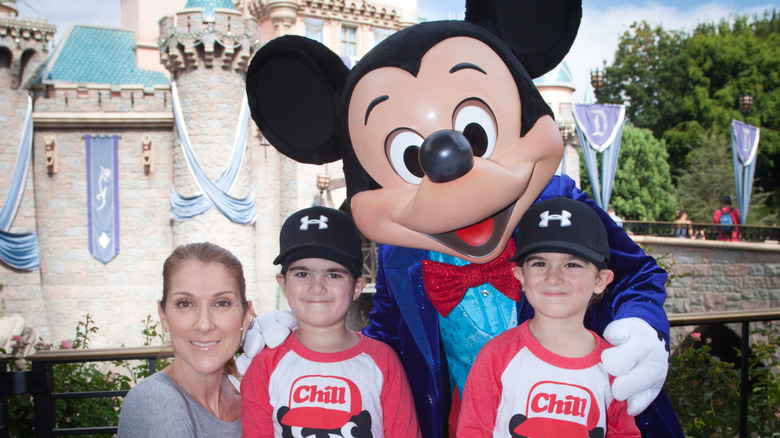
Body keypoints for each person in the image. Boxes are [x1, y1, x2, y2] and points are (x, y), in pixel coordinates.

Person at [458, 197, 641, 437]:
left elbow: (624, 433)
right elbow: (472, 431)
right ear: (520, 276)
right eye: (540, 263)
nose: (553, 278)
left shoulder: (614, 365)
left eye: (572, 265)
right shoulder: (495, 356)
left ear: (600, 280)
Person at [241, 206, 422, 437]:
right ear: (283, 284)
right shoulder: (265, 366)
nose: (317, 287)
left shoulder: (383, 361)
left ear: (356, 287)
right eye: (302, 274)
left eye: (333, 274)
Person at [118, 242, 254, 437]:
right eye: (185, 304)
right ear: (163, 316)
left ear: (245, 316)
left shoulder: (248, 393)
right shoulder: (158, 399)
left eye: (222, 303)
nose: (204, 324)